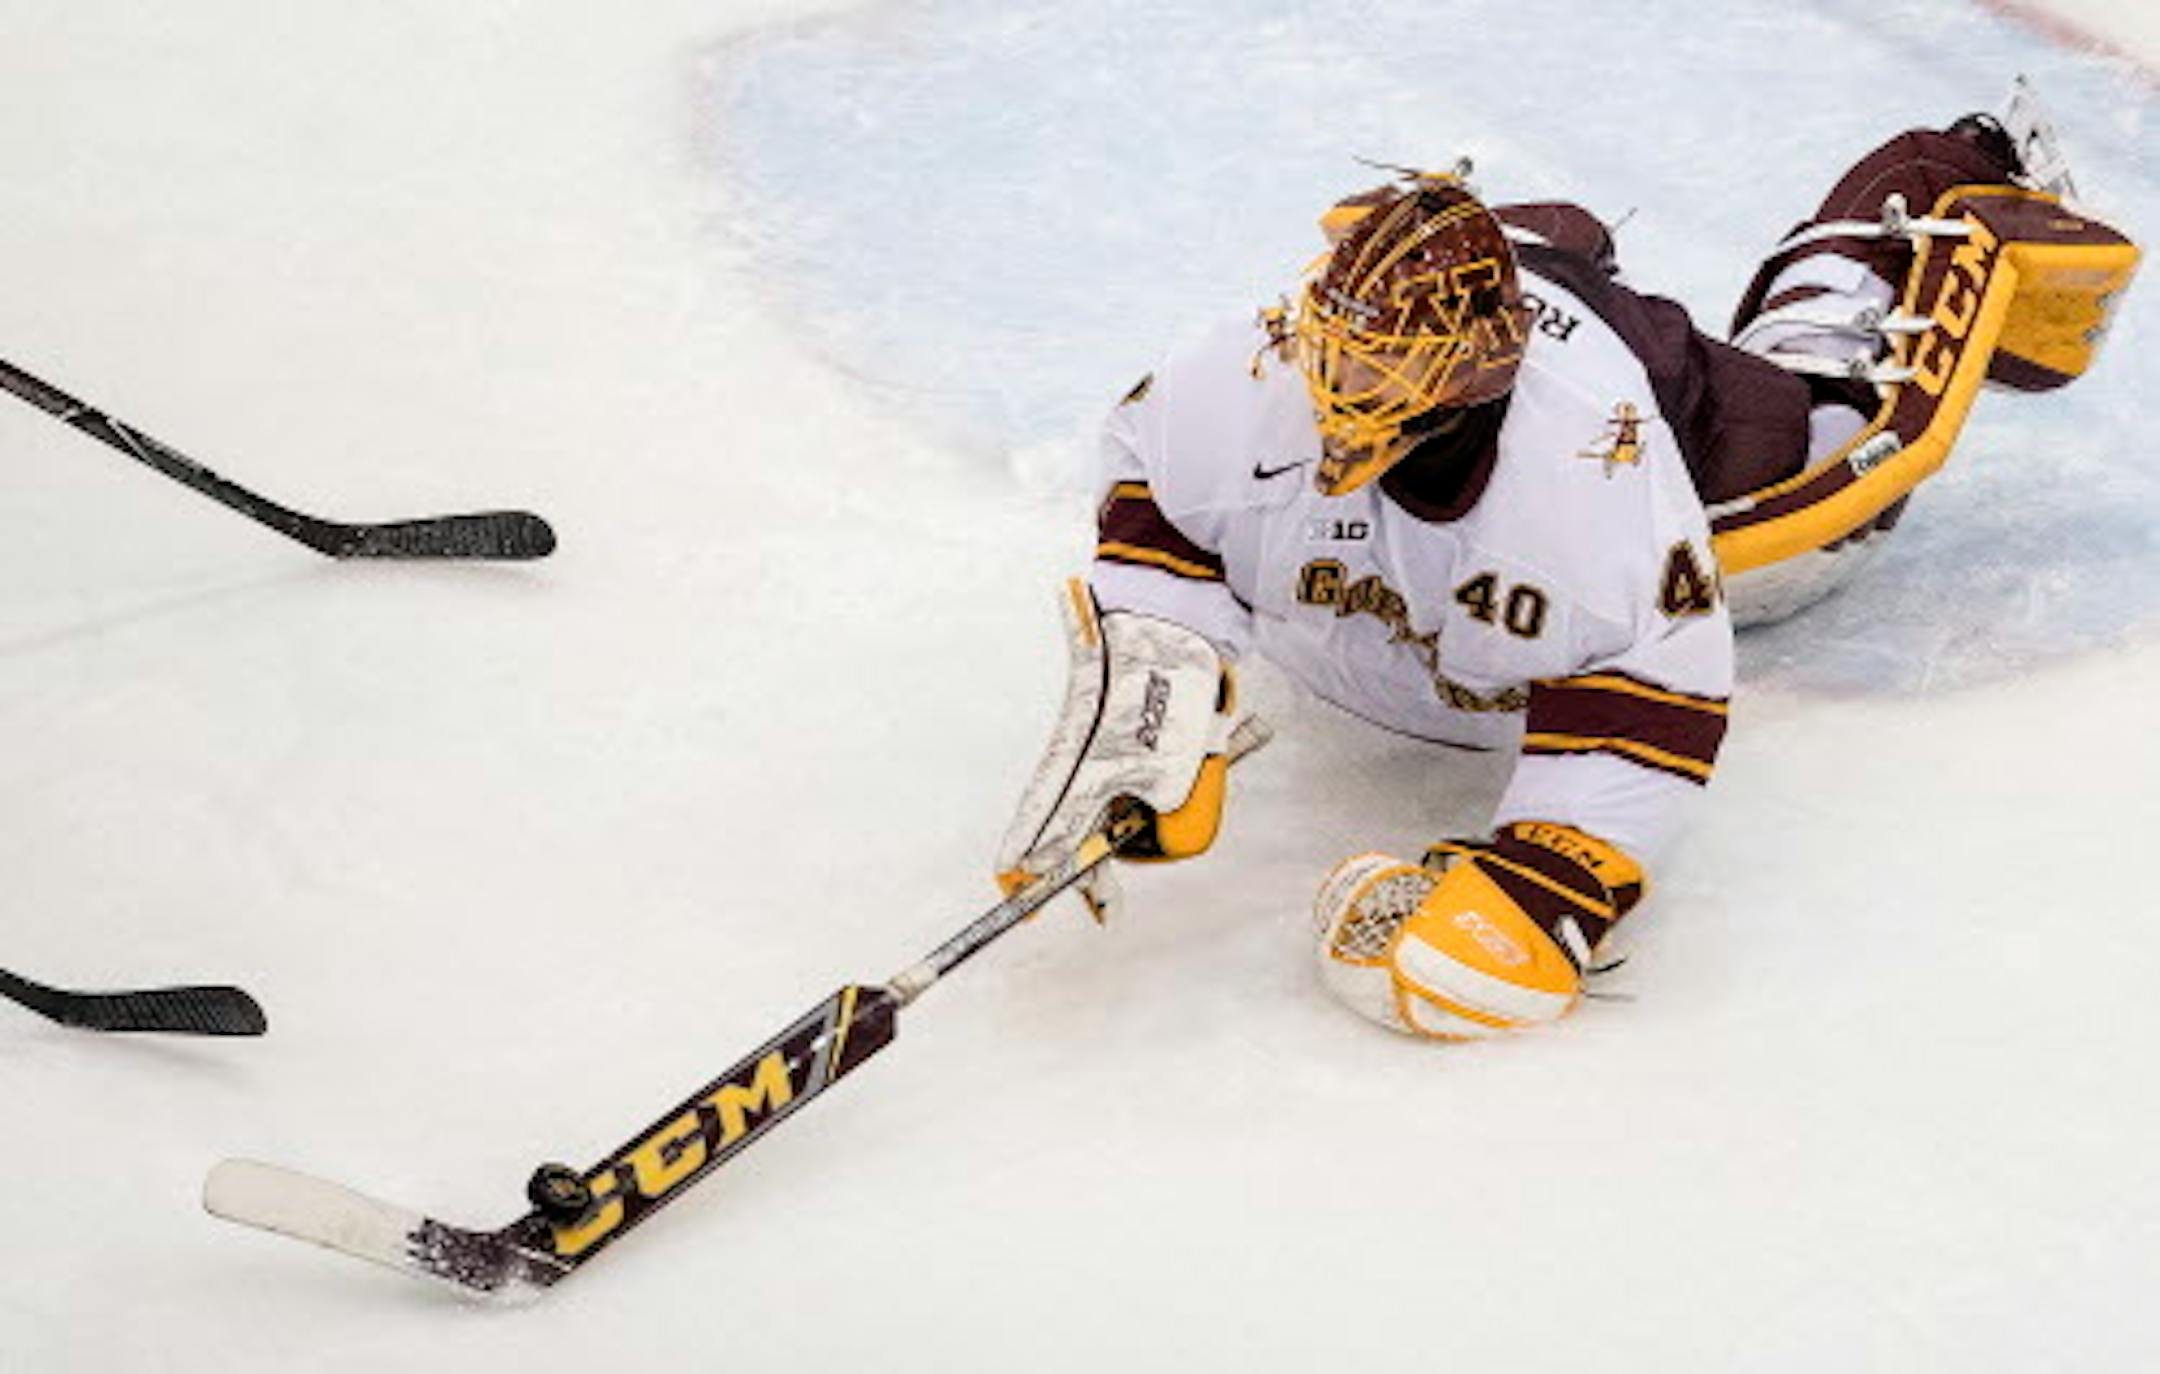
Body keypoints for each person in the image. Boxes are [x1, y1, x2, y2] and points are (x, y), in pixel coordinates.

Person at [994, 82, 2139, 1041]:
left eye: (1382, 388)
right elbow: (1157, 490)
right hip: (1509, 286)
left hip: (1649, 375)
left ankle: (1945, 170)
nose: (1339, 408)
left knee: (1829, 433)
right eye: (1339, 365)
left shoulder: (1590, 473)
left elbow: (1651, 692)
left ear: (1478, 387)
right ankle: (1540, 235)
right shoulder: (1254, 364)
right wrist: (1149, 694)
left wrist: (1547, 888)